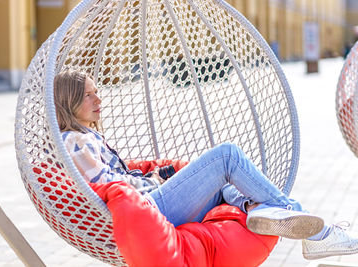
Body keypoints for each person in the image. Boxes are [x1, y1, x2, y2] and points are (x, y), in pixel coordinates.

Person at [54, 71, 358, 260]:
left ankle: (263, 210)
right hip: (149, 210)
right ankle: (306, 225)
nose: (99, 99)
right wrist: (154, 182)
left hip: (149, 203)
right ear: (68, 102)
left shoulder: (86, 136)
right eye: (88, 94)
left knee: (226, 184)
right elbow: (106, 189)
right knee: (227, 156)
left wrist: (151, 176)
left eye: (97, 91)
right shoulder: (74, 141)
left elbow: (116, 179)